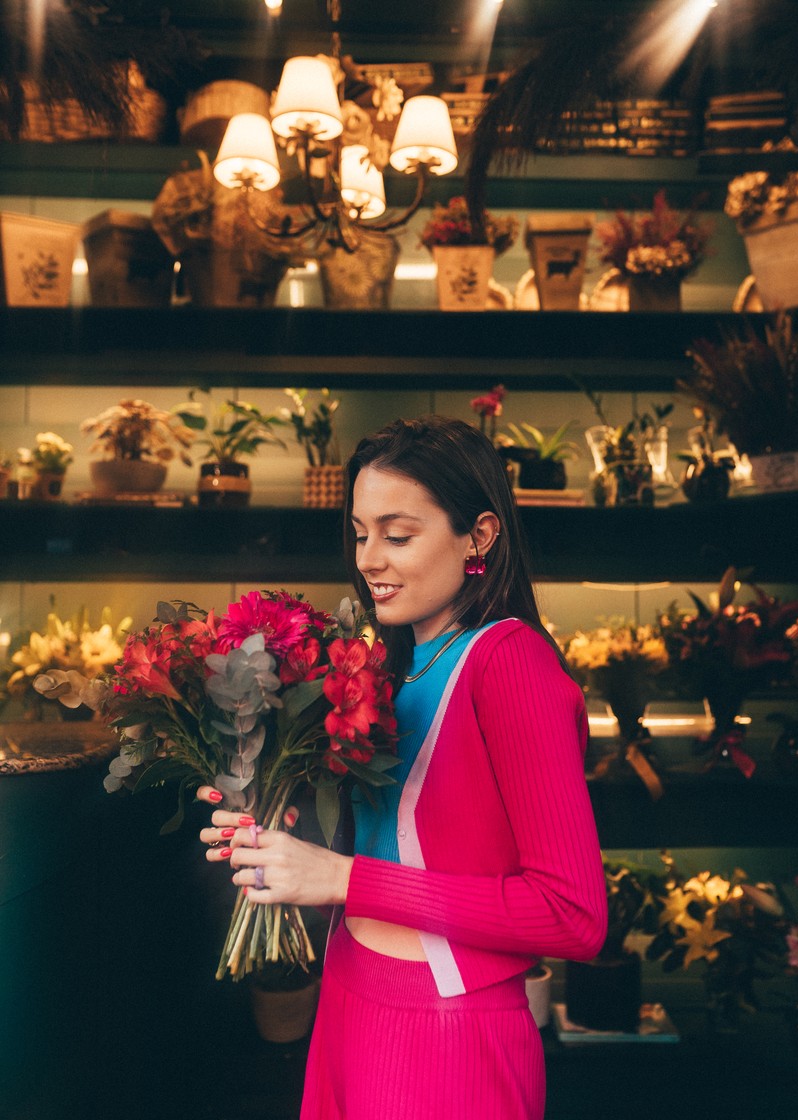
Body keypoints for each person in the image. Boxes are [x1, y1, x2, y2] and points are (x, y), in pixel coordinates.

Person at [198, 415, 607, 1120]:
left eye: (398, 534)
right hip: (353, 997)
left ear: (478, 536)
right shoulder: (399, 668)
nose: (369, 559)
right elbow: (412, 851)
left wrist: (341, 877)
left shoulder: (509, 662)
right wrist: (279, 834)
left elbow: (573, 916)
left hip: (448, 1034)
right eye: (360, 534)